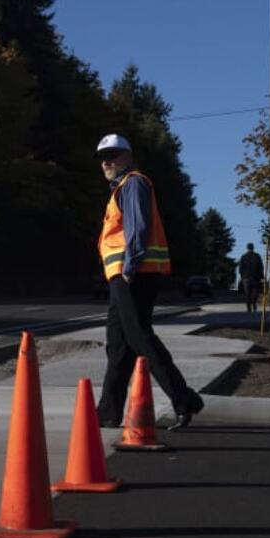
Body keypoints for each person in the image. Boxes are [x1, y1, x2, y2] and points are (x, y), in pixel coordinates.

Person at [93, 133, 205, 431]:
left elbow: (138, 226)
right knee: (118, 345)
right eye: (104, 158)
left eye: (114, 155)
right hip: (125, 276)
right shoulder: (121, 188)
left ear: (128, 156)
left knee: (140, 337)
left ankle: (184, 399)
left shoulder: (133, 183)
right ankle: (107, 413)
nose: (107, 162)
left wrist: (130, 265)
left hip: (133, 274)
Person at [238, 242, 265, 313]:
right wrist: (262, 276)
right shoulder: (257, 256)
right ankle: (254, 303)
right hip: (255, 277)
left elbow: (240, 268)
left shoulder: (243, 257)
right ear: (253, 248)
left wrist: (242, 276)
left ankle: (248, 306)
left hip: (246, 278)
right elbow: (261, 267)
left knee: (247, 293)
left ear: (247, 248)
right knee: (255, 292)